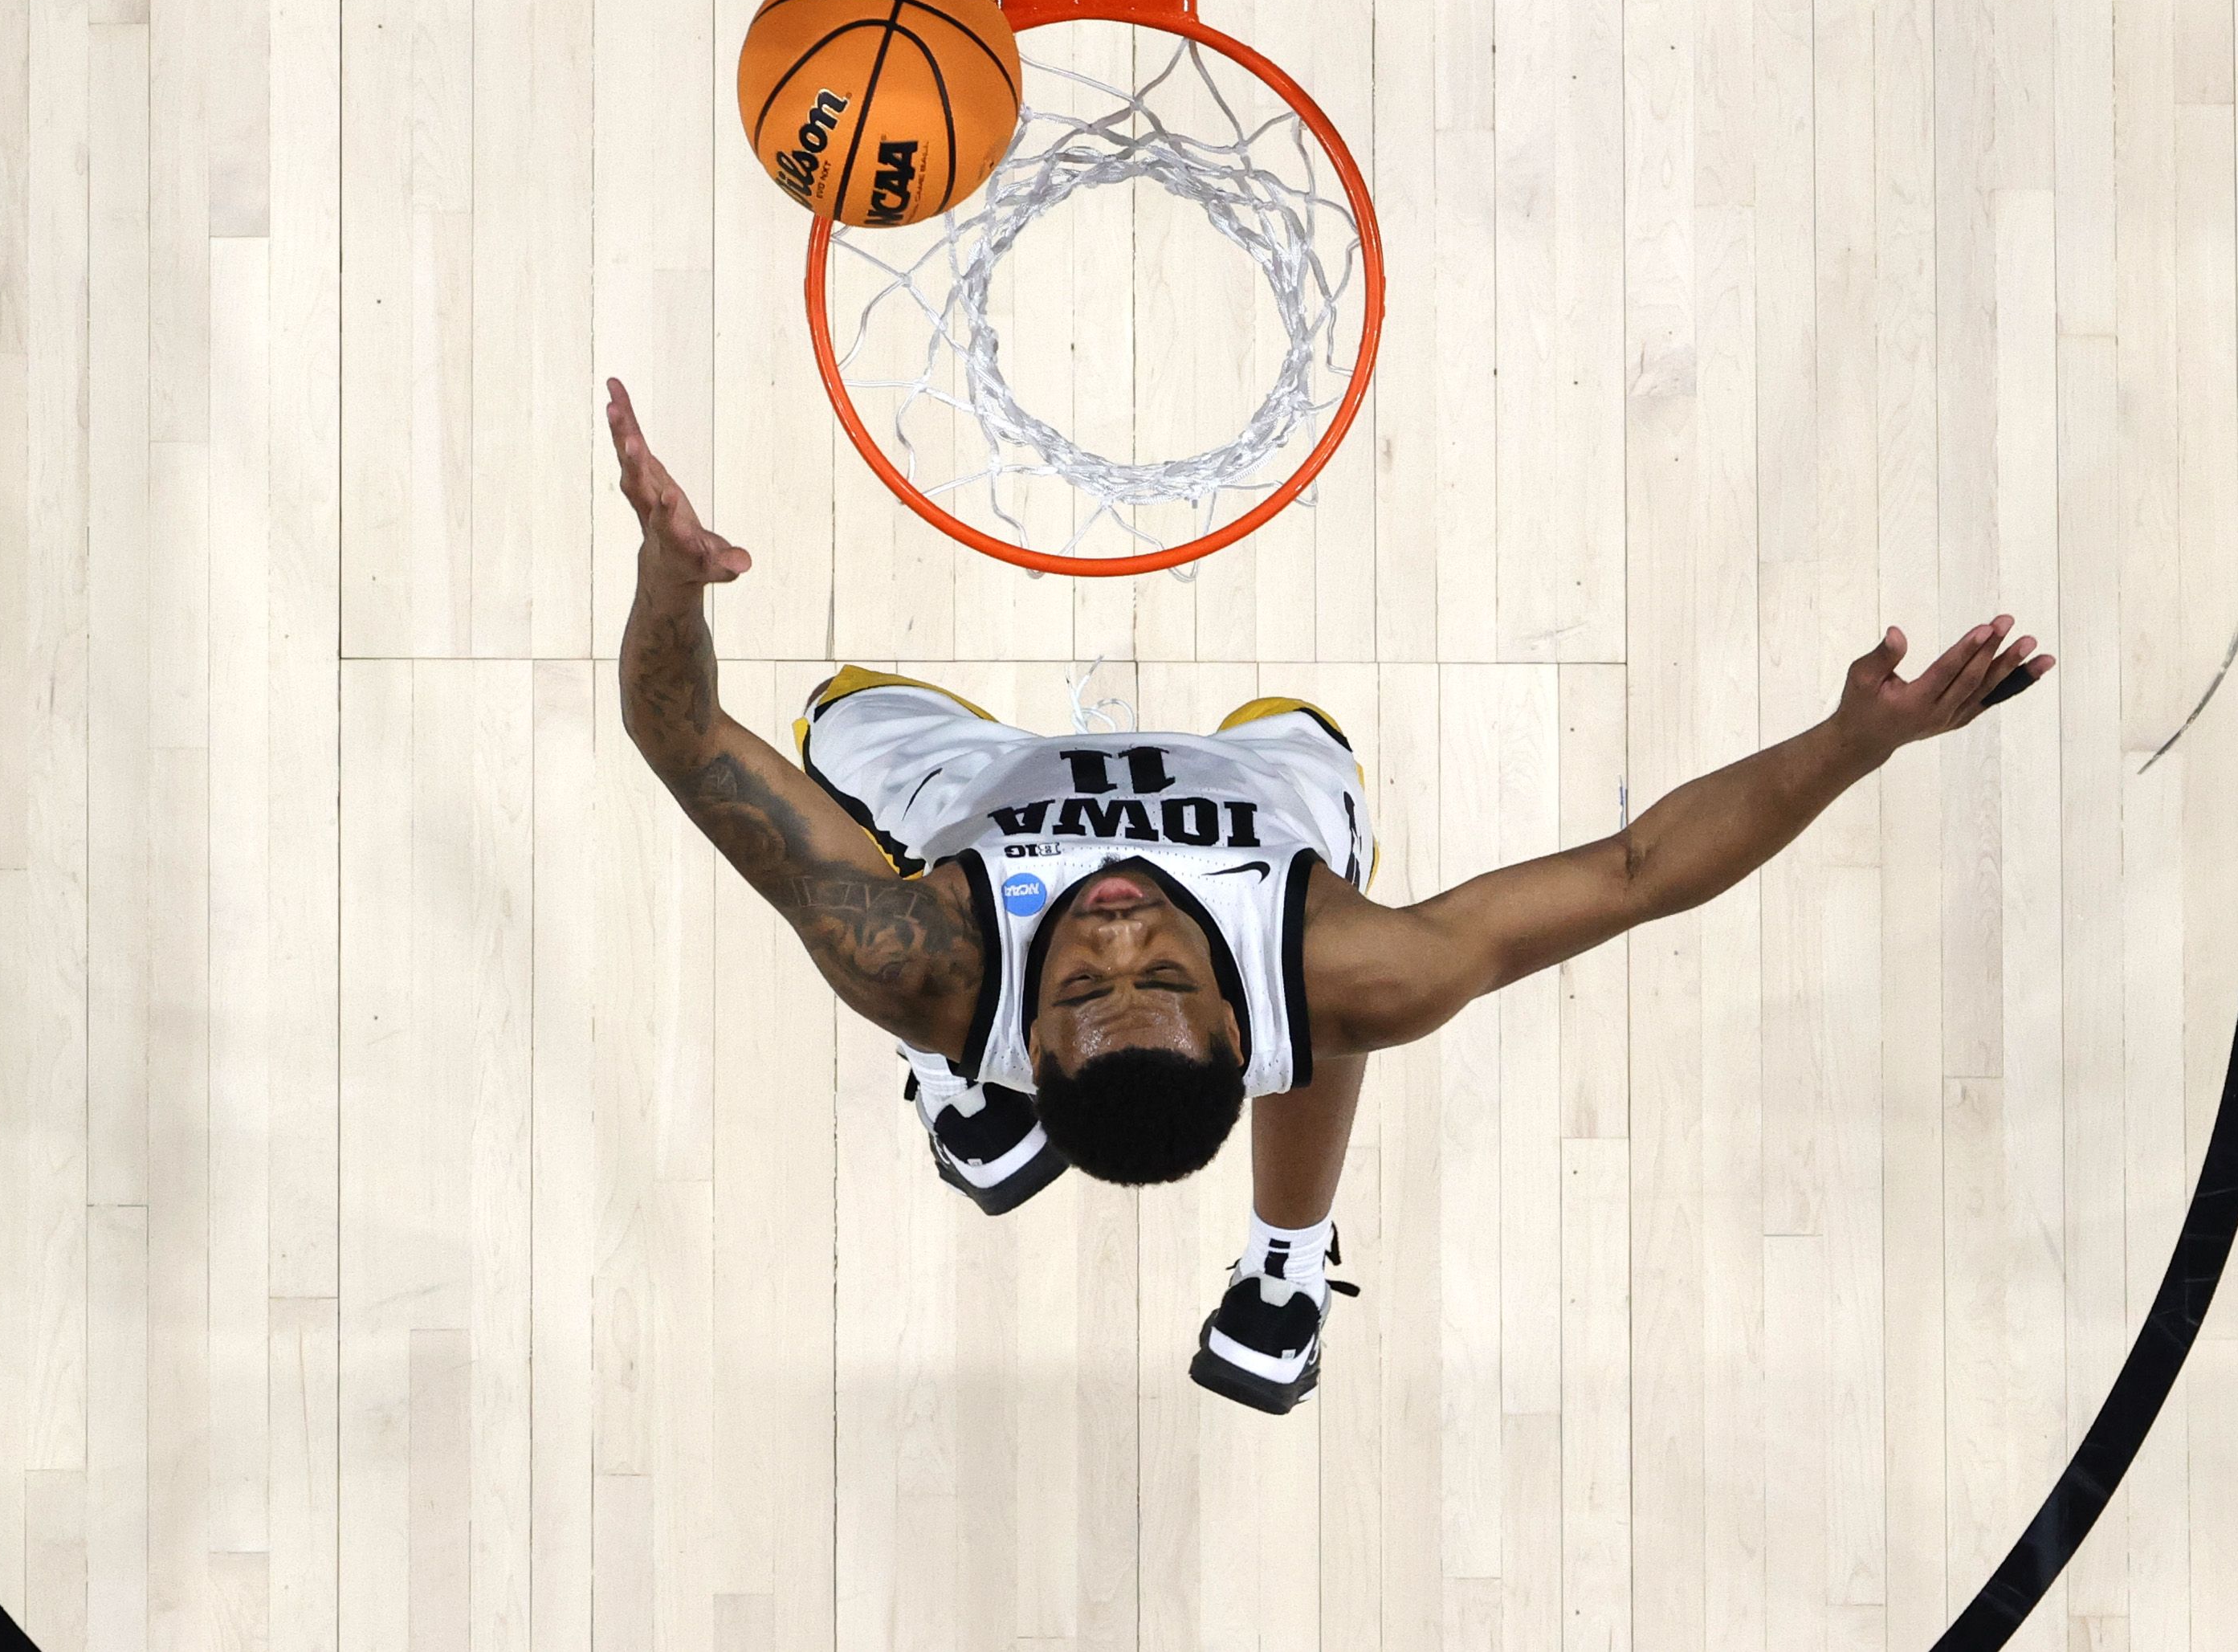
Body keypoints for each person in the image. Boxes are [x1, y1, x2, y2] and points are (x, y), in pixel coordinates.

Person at [609, 380, 2052, 1412]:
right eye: (1160, 980)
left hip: (983, 797)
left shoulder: (927, 958)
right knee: (1343, 970)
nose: (1120, 933)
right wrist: (1857, 742)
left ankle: (986, 1118)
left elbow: (682, 738)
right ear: (1234, 1028)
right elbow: (1638, 876)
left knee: (836, 718)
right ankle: (1284, 1267)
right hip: (1266, 792)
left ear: (1036, 1034)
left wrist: (669, 586)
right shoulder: (1332, 966)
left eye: (1091, 985)